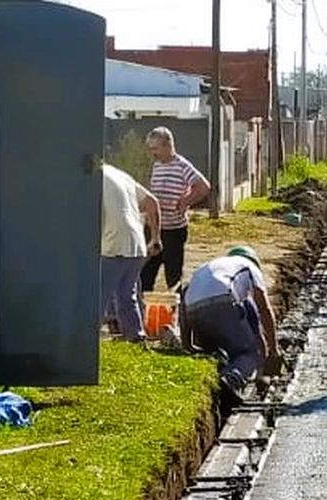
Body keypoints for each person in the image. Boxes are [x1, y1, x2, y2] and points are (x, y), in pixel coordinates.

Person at [180, 246, 278, 406]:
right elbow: (264, 310)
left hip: (193, 310)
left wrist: (187, 344)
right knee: (249, 353)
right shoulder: (249, 267)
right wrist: (271, 352)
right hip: (222, 301)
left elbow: (184, 298)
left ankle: (220, 368)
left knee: (219, 350)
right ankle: (231, 379)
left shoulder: (209, 267)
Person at [141, 126, 211, 293]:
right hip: (153, 228)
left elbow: (204, 187)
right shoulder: (157, 165)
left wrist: (186, 201)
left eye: (155, 148)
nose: (153, 153)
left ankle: (176, 313)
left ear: (167, 145)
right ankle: (145, 311)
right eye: (151, 149)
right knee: (145, 274)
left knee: (173, 275)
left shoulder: (182, 166)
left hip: (173, 230)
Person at [100, 162, 161, 341]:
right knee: (127, 296)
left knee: (97, 295)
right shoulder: (121, 174)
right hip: (137, 244)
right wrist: (156, 238)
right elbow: (152, 202)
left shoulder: (91, 178)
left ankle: (84, 341)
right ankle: (135, 337)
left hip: (113, 243)